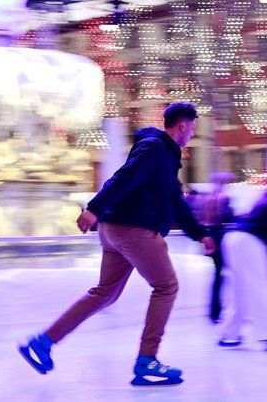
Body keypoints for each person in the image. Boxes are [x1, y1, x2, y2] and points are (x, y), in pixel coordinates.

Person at [19, 102, 214, 387]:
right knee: (166, 287)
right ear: (182, 125)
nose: (193, 132)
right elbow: (125, 176)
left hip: (114, 229)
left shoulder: (163, 155)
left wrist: (200, 233)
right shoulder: (156, 149)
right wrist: (94, 208)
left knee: (104, 293)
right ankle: (148, 360)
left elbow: (175, 201)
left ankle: (44, 342)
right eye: (193, 126)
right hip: (134, 229)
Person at [217, 169, 267, 351]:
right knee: (260, 288)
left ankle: (229, 333)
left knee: (239, 290)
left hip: (232, 239)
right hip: (249, 243)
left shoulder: (266, 198)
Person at [198, 171, 235, 323]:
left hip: (211, 237)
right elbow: (228, 217)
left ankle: (215, 311)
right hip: (221, 238)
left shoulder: (208, 198)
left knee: (217, 275)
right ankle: (221, 310)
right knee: (224, 275)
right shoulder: (223, 198)